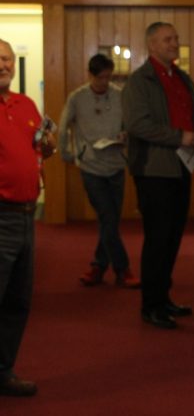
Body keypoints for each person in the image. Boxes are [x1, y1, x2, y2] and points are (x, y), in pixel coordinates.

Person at [122, 22, 194, 330]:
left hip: (182, 167)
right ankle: (151, 305)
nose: (175, 43)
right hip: (154, 170)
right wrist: (180, 137)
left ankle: (163, 297)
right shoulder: (139, 81)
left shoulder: (182, 77)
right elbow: (137, 125)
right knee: (158, 238)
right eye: (167, 39)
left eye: (176, 38)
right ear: (152, 45)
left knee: (173, 236)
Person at [0, 39, 56, 397]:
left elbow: (38, 149)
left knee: (18, 301)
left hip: (26, 215)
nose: (2, 65)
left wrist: (47, 146)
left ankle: (3, 371)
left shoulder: (26, 104)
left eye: (6, 59)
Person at [58, 53, 139, 288]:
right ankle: (123, 269)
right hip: (91, 166)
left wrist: (125, 136)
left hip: (116, 165)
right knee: (107, 217)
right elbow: (63, 127)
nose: (104, 82)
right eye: (100, 78)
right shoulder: (78, 97)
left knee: (109, 221)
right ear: (90, 75)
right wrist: (67, 153)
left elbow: (130, 126)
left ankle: (98, 266)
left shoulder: (119, 95)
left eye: (108, 77)